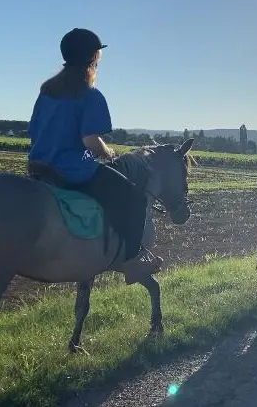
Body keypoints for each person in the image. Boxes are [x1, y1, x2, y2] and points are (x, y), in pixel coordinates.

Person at [27, 28, 160, 281]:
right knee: (134, 199)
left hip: (38, 167)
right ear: (92, 58)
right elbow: (90, 140)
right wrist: (108, 152)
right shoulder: (90, 95)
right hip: (72, 171)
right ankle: (132, 261)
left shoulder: (46, 92)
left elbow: (34, 132)